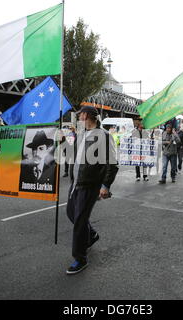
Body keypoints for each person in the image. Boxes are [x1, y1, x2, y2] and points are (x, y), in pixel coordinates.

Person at [66, 106, 119, 275]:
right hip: (76, 183)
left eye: (80, 114)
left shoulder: (103, 136)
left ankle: (80, 258)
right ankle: (92, 235)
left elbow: (112, 163)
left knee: (80, 221)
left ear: (87, 115)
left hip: (90, 185)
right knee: (71, 213)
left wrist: (106, 185)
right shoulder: (81, 134)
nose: (79, 117)